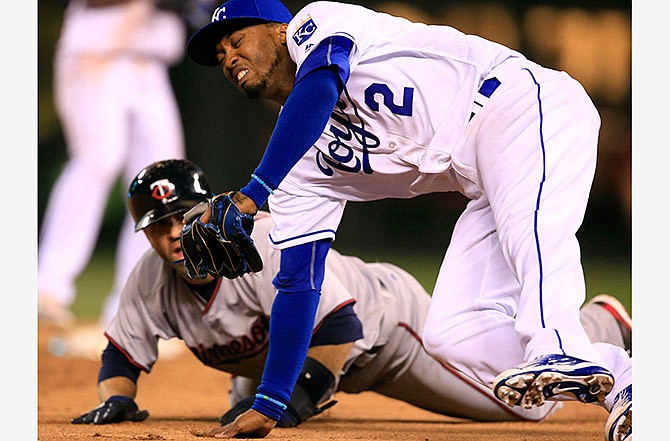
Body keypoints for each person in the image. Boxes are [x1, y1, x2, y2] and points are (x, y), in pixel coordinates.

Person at [182, 1, 634, 440]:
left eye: (237, 40)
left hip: (520, 102)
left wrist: (253, 193)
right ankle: (628, 379)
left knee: (531, 230)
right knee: (451, 335)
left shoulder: (316, 23)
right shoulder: (300, 167)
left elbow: (319, 86)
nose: (229, 58)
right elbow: (298, 284)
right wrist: (269, 403)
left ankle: (556, 344)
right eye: (220, 55)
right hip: (483, 172)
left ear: (280, 30)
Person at [70, 159, 632, 432]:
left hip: (386, 329)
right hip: (292, 353)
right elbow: (123, 352)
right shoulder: (150, 275)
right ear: (141, 232)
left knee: (527, 411)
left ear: (205, 207)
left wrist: (296, 399)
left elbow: (339, 327)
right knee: (245, 403)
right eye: (156, 224)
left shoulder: (260, 241)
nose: (171, 233)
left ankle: (602, 322)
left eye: (179, 217)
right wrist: (117, 396)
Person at [38, 0, 189, 328]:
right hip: (98, 47)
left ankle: (131, 306)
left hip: (149, 57)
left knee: (161, 182)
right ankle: (48, 287)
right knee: (98, 161)